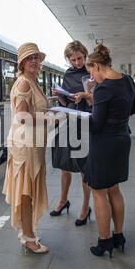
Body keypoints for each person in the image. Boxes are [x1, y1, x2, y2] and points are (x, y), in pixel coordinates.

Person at [83, 44, 134, 257]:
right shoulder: (128, 80)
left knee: (99, 192)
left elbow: (95, 124)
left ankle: (104, 242)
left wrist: (80, 116)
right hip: (123, 139)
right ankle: (118, 236)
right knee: (114, 189)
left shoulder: (103, 89)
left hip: (104, 144)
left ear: (96, 65)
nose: (92, 77)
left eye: (91, 72)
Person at [2, 42, 53, 254]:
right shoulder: (24, 83)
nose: (34, 61)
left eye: (36, 57)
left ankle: (28, 232)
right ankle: (29, 238)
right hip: (25, 147)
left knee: (28, 191)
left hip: (32, 145)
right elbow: (22, 116)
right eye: (29, 57)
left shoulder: (32, 81)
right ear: (22, 62)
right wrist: (48, 119)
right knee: (25, 193)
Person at [50, 40, 93, 226]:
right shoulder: (67, 74)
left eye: (80, 58)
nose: (77, 63)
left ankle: (85, 206)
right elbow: (66, 104)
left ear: (85, 55)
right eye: (73, 60)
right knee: (64, 164)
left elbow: (99, 99)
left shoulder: (92, 72)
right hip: (69, 122)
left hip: (86, 122)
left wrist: (85, 96)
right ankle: (63, 200)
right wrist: (61, 96)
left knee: (84, 166)